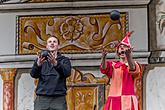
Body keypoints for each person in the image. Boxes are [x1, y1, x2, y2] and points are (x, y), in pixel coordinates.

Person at [100, 31, 141, 110]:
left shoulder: (134, 64)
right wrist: (103, 58)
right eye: (120, 47)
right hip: (114, 98)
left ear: (129, 50)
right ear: (118, 51)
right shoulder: (113, 65)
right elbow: (104, 68)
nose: (122, 48)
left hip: (128, 99)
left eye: (125, 46)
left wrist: (129, 57)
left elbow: (132, 69)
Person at [30, 36, 72, 110]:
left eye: (54, 42)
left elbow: (67, 73)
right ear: (46, 46)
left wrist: (56, 63)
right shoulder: (41, 59)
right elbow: (33, 74)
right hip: (42, 99)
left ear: (58, 46)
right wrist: (38, 65)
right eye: (50, 42)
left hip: (58, 99)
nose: (52, 43)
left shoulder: (64, 60)